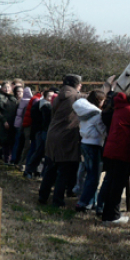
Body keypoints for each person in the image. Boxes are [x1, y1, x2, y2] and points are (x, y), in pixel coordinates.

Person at [100, 88, 130, 224]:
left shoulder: (121, 106)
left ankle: (108, 214)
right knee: (117, 186)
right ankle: (112, 217)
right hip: (121, 153)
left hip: (112, 150)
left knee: (111, 183)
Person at [44, 74, 85, 207]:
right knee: (64, 171)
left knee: (50, 168)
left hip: (52, 135)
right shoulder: (76, 97)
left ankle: (42, 196)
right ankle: (58, 200)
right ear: (77, 85)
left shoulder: (58, 96)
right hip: (66, 136)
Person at [72, 90, 106, 212]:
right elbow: (102, 130)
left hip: (84, 143)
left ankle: (91, 202)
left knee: (88, 174)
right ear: (99, 101)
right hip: (94, 145)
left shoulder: (84, 111)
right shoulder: (96, 114)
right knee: (93, 177)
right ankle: (83, 202)